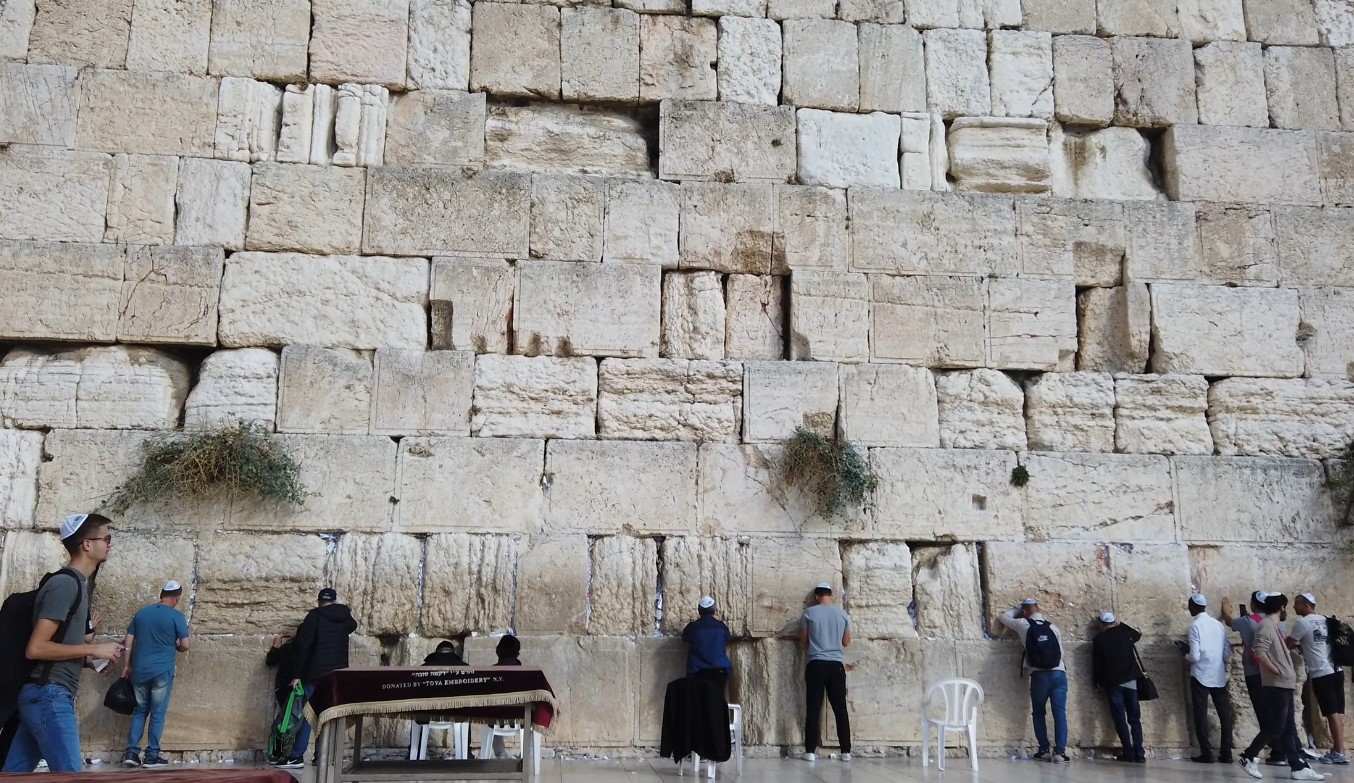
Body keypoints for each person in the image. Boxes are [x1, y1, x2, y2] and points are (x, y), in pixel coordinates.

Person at [3, 514, 124, 773]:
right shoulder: (65, 585)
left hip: (45, 695)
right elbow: (37, 648)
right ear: (87, 544)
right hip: (49, 697)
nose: (110, 544)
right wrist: (93, 647)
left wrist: (89, 662)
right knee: (72, 776)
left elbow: (55, 647)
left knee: (13, 776)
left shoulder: (76, 585)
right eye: (106, 538)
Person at [1237, 593, 1323, 780]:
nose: (1288, 611)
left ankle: (1297, 765)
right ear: (1281, 607)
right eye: (1286, 607)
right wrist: (1276, 670)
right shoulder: (1266, 626)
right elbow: (1259, 651)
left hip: (1284, 683)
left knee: (1288, 727)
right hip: (1276, 684)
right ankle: (1248, 755)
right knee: (1275, 727)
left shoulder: (1272, 625)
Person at [275, 588, 357, 769]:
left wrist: (296, 675)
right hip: (336, 675)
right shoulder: (345, 617)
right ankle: (323, 756)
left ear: (319, 601)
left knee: (307, 715)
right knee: (327, 716)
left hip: (315, 674)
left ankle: (296, 757)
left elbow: (303, 648)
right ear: (335, 601)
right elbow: (351, 626)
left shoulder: (314, 617)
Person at [120, 580, 190, 769]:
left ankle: (132, 753)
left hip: (139, 671)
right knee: (157, 713)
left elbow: (128, 640)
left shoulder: (142, 613)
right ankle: (152, 756)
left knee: (139, 711)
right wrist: (173, 645)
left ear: (161, 595)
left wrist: (127, 664)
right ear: (176, 598)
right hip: (161, 672)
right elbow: (185, 645)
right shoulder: (177, 616)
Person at [1000, 598, 1068, 764]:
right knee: (1059, 712)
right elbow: (1061, 652)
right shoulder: (1052, 626)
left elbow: (1004, 617)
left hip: (1039, 675)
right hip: (1059, 673)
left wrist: (1018, 608)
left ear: (1025, 612)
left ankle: (1044, 750)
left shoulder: (1023, 624)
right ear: (1039, 609)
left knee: (1039, 712)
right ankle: (1060, 752)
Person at [1288, 592, 1347, 765]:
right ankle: (1338, 750)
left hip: (1322, 672)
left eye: (1297, 604)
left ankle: (1340, 752)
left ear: (1306, 605)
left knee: (1331, 713)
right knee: (1334, 713)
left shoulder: (1302, 622)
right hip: (1337, 670)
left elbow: (1288, 644)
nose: (1294, 607)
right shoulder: (1326, 619)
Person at [1177, 594, 1234, 764]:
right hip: (1218, 675)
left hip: (1201, 675)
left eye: (1189, 606)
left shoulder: (1195, 626)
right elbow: (1226, 653)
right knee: (1225, 714)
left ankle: (1207, 753)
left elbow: (1194, 656)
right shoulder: (1218, 625)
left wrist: (1184, 653)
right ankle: (1226, 752)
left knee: (1200, 714)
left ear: (1194, 606)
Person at [800, 582, 851, 763]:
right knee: (840, 709)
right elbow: (846, 642)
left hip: (816, 664)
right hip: (836, 666)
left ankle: (810, 752)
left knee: (813, 708)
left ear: (816, 597)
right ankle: (846, 752)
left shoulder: (809, 613)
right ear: (831, 596)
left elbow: (804, 640)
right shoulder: (843, 615)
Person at [1090, 612, 1145, 763]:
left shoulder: (1099, 640)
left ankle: (1128, 751)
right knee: (1134, 718)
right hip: (1130, 681)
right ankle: (1139, 752)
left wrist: (1097, 684)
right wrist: (1121, 624)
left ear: (1101, 624)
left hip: (1113, 683)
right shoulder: (1125, 634)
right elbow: (1137, 635)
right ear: (1114, 622)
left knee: (1120, 718)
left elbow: (1097, 665)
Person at [681, 597, 732, 690]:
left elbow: (685, 638)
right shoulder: (721, 627)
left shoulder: (693, 627)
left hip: (698, 671)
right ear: (714, 610)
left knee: (698, 702)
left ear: (699, 611)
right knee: (717, 700)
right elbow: (727, 639)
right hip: (719, 670)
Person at [489, 635, 523, 759]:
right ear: (517, 653)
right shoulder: (527, 673)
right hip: (521, 717)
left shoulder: (489, 673)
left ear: (498, 652)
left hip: (496, 718)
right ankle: (524, 755)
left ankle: (501, 755)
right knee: (533, 718)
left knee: (490, 715)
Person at [265, 628, 298, 710]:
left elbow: (270, 661)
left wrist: (275, 645)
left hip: (283, 687)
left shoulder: (286, 648)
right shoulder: (306, 648)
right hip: (297, 687)